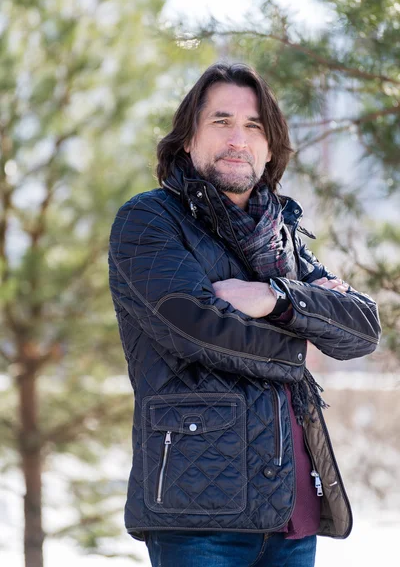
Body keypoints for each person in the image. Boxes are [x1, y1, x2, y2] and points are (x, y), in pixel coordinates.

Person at [108, 63, 380, 567]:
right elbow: (197, 329)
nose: (238, 138)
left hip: (294, 512)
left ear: (271, 147)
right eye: (221, 121)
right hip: (200, 515)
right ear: (188, 139)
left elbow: (361, 329)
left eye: (253, 126)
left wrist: (275, 299)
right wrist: (301, 339)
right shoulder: (149, 220)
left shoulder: (285, 237)